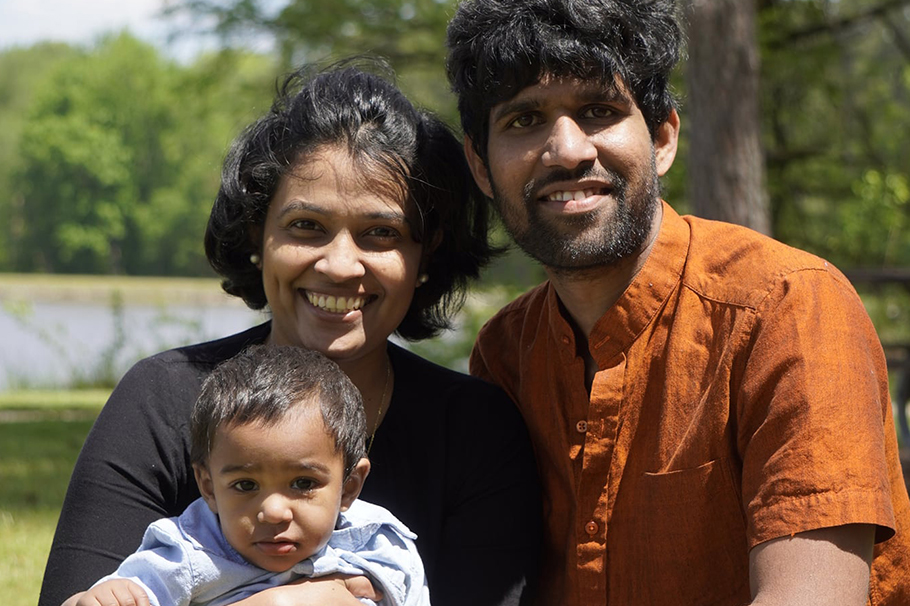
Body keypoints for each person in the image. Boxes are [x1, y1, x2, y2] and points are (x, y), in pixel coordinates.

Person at [446, 0, 910, 605]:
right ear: (480, 166)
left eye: (598, 111)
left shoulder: (787, 307)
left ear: (662, 137)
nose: (566, 150)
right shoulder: (506, 353)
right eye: (523, 120)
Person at [40, 61, 540, 606]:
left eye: (381, 233)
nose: (341, 264)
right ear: (259, 234)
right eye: (307, 226)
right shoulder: (160, 404)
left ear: (426, 253)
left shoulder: (475, 434)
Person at [73, 345, 428, 606]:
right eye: (245, 485)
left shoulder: (380, 541)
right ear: (208, 487)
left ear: (349, 486)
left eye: (303, 483)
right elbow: (137, 589)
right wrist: (106, 597)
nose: (273, 512)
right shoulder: (193, 550)